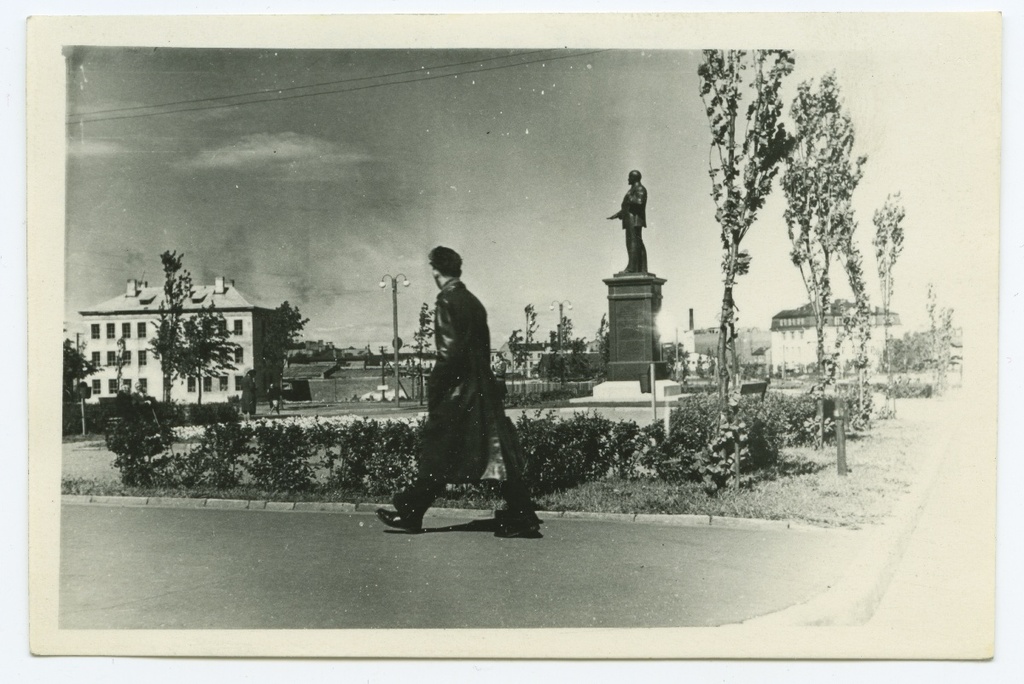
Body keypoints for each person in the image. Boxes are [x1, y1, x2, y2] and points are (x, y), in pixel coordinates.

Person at [376, 246, 542, 538]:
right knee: (490, 454)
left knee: (442, 451)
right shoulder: (474, 302)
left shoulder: (447, 300)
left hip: (458, 393)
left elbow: (449, 353)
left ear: (437, 273)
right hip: (482, 391)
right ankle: (520, 514)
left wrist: (436, 389)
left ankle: (412, 511)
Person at [606, 169, 648, 274]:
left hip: (634, 220)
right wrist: (617, 215)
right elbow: (627, 208)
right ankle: (641, 268)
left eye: (629, 177)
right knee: (636, 243)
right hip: (630, 219)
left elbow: (640, 202)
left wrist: (630, 198)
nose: (628, 179)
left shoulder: (639, 188)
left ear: (634, 178)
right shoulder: (634, 189)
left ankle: (632, 268)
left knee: (633, 242)